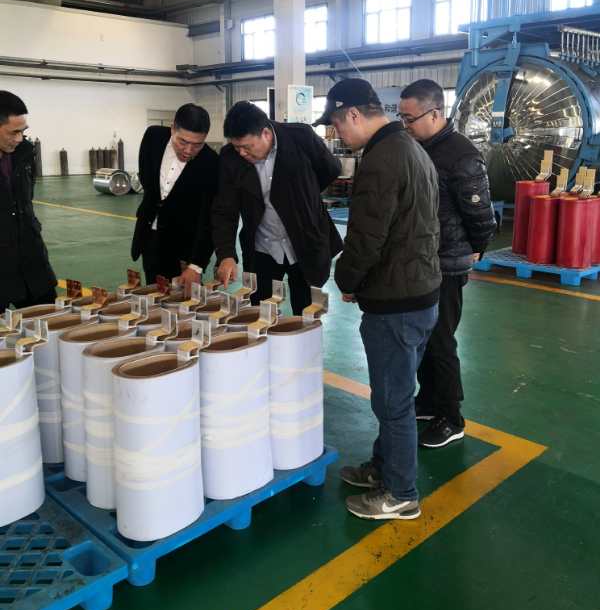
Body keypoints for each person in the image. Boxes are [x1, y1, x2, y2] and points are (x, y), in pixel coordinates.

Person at [317, 78, 441, 521]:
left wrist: (347, 279)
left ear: (353, 114)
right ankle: (383, 468)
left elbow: (367, 236)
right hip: (421, 292)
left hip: (396, 301)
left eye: (336, 123)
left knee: (393, 402)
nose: (335, 133)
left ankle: (401, 493)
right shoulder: (411, 149)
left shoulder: (381, 159)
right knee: (397, 394)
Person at [398, 80, 496, 448]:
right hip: (422, 260)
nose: (405, 125)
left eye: (410, 118)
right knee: (423, 336)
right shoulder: (418, 147)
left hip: (448, 261)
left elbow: (481, 214)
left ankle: (452, 417)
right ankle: (428, 401)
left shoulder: (461, 154)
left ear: (435, 113)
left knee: (441, 340)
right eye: (401, 118)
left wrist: (477, 247)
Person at [212, 100, 343, 314]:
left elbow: (330, 169)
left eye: (247, 147)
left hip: (305, 243)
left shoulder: (300, 137)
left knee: (308, 312)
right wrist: (226, 254)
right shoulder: (229, 158)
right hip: (263, 248)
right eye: (237, 147)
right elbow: (225, 209)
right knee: (261, 312)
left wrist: (304, 194)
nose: (242, 153)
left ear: (266, 133)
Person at [131, 103, 219, 291]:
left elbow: (208, 218)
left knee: (183, 301)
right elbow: (147, 181)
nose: (188, 150)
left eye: (197, 144)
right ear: (173, 129)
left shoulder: (211, 163)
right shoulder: (153, 137)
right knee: (154, 293)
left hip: (183, 249)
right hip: (149, 237)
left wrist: (196, 265)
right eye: (183, 142)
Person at [0, 91, 57, 312]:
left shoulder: (24, 153)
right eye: (13, 132)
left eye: (23, 131)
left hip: (31, 261)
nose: (19, 139)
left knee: (49, 320)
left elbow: (25, 202)